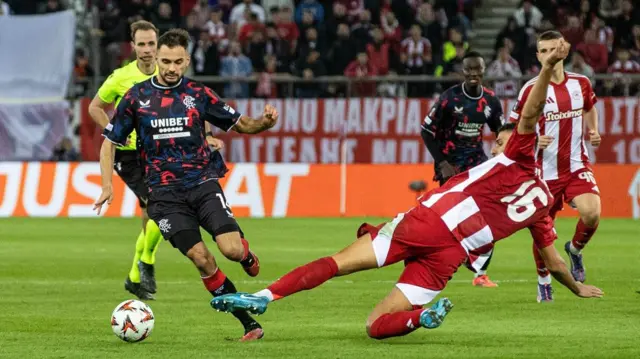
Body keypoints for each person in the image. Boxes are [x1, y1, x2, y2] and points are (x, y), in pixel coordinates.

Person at [210, 39, 603, 340]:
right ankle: (420, 318)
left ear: (516, 142)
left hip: (428, 223)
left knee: (337, 263)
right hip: (450, 257)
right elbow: (552, 262)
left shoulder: (516, 155)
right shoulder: (540, 205)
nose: (496, 144)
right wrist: (577, 287)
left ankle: (264, 297)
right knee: (375, 324)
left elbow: (530, 114)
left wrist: (549, 64)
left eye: (500, 140)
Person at [94, 29, 276, 341]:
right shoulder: (136, 97)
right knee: (202, 259)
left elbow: (241, 124)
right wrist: (107, 185)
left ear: (187, 61)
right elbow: (110, 143)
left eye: (178, 62)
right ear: (157, 59)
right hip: (163, 196)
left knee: (230, 250)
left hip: (202, 184)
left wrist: (263, 123)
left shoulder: (198, 94)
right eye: (165, 61)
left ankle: (245, 255)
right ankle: (249, 324)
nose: (171, 68)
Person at [509, 31, 602, 302]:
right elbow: (514, 127)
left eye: (554, 49)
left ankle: (574, 250)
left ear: (563, 50)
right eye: (544, 50)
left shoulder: (581, 83)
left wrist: (593, 129)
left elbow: (589, 106)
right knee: (544, 233)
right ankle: (543, 280)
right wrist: (535, 139)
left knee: (592, 213)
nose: (550, 54)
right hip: (541, 172)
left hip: (575, 164)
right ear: (538, 55)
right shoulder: (530, 88)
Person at [88, 20, 163, 300]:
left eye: (151, 44)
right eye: (141, 44)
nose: (146, 50)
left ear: (158, 45)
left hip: (159, 152)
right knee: (155, 206)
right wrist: (112, 131)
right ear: (132, 46)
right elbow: (95, 106)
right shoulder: (121, 76)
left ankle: (135, 275)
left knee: (157, 211)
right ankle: (146, 264)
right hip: (129, 154)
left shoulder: (167, 73)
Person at [420, 50, 504, 288]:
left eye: (478, 69)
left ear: (484, 70)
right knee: (447, 218)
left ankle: (481, 273)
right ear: (463, 72)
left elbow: (502, 133)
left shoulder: (490, 101)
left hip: (477, 163)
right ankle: (435, 263)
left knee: (486, 213)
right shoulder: (449, 98)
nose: (474, 74)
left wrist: (502, 157)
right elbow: (426, 131)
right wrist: (442, 163)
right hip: (451, 166)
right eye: (469, 69)